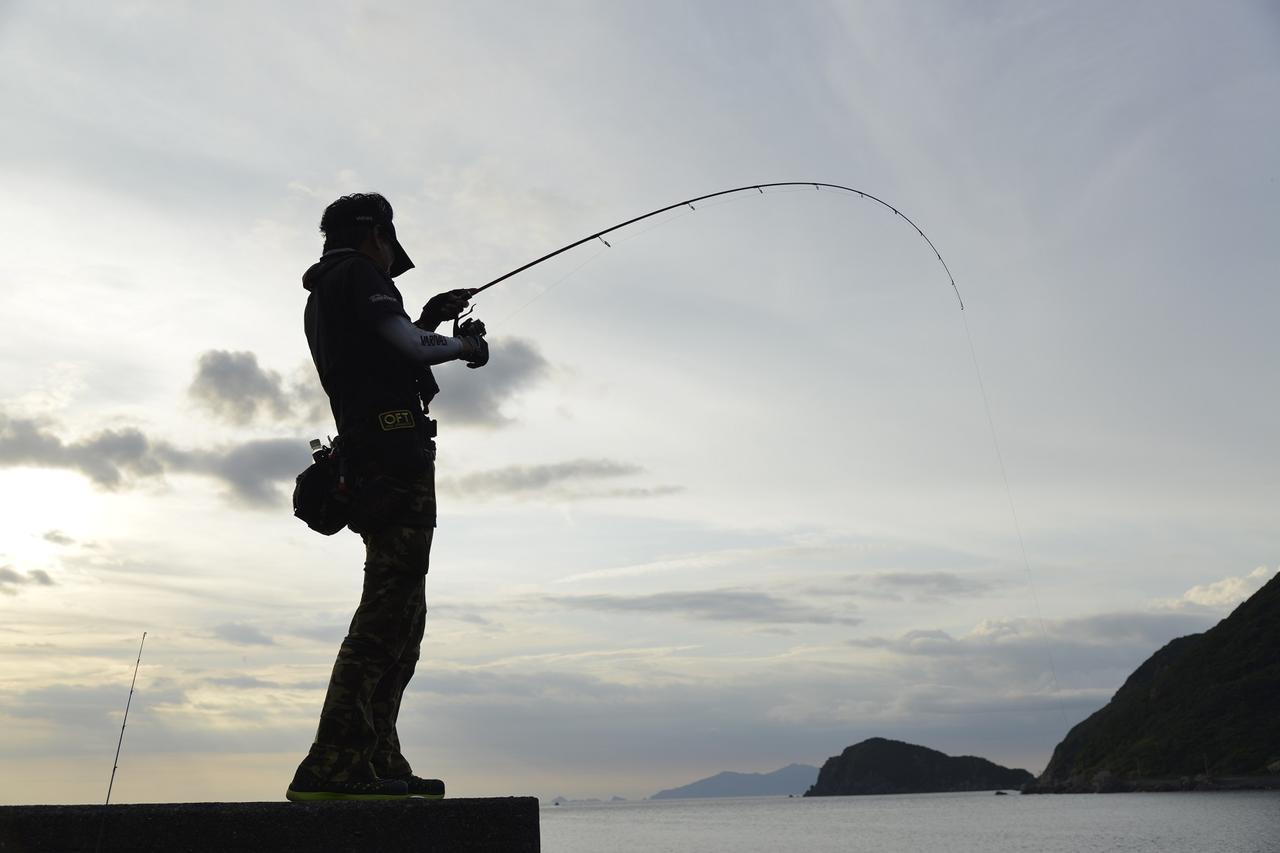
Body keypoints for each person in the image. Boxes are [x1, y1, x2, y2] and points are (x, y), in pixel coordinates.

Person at [286, 192, 488, 802]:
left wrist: (427, 317)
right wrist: (465, 346)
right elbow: (407, 351)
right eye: (388, 238)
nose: (390, 251)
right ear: (374, 232)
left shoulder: (335, 288)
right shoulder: (357, 275)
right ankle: (332, 767)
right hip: (389, 463)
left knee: (404, 616)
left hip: (383, 460)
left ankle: (376, 757)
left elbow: (388, 353)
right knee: (384, 615)